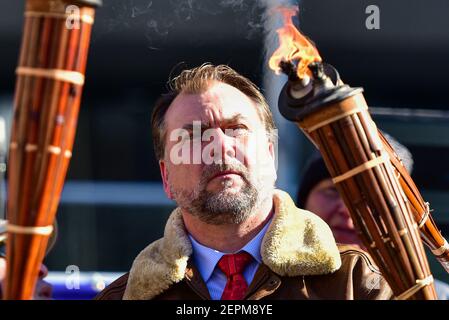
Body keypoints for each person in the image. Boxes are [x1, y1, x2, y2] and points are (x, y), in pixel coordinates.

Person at [96, 63, 392, 300]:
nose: (220, 147)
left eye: (236, 128)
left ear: (270, 154)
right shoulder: (124, 297)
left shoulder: (357, 283)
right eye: (195, 135)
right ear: (166, 177)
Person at [296, 136, 449, 299]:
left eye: (369, 197)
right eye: (333, 190)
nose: (346, 209)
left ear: (401, 219)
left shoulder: (438, 296)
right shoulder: (274, 288)